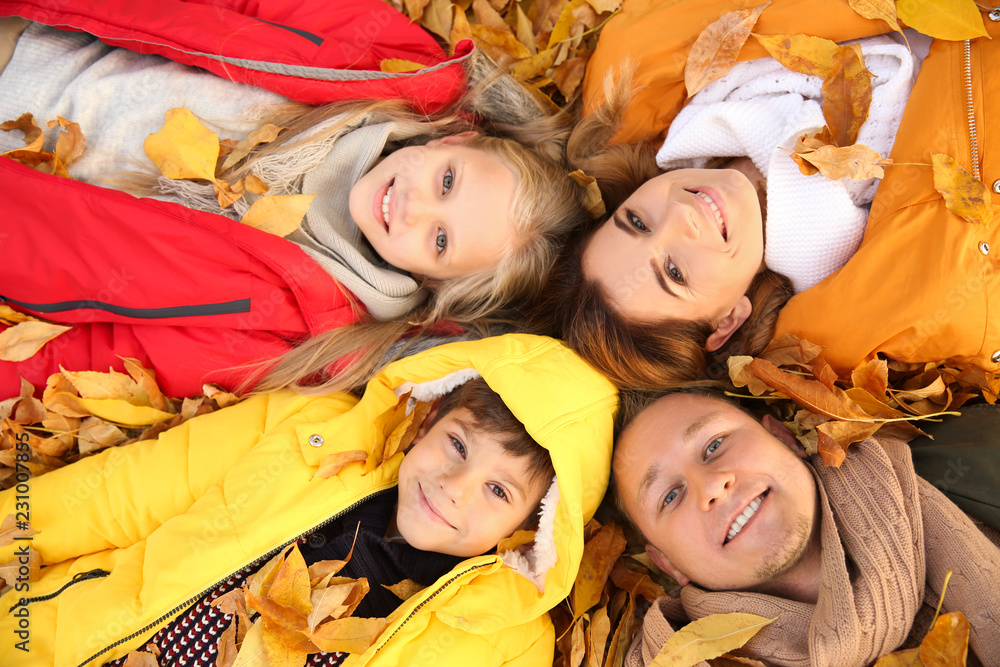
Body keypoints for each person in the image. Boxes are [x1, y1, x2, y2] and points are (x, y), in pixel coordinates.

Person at [0, 4, 589, 399]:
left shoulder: (287, 332)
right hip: (35, 29)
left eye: (440, 240)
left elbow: (95, 358)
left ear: (435, 284)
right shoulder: (388, 66)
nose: (413, 207)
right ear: (456, 138)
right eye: (448, 182)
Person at [0, 333, 619, 666]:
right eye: (458, 445)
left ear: (532, 527)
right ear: (425, 423)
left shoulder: (508, 644)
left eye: (497, 490)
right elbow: (119, 494)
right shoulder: (308, 431)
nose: (455, 488)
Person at [537, 0, 1000, 391]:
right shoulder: (898, 256)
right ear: (728, 321)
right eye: (674, 272)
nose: (680, 215)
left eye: (637, 221)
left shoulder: (675, 79)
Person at [611, 389, 1000, 665]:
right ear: (667, 564)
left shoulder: (977, 459)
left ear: (784, 437)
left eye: (714, 445)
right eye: (669, 496)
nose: (712, 485)